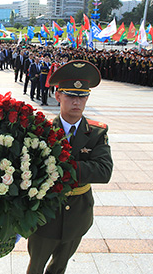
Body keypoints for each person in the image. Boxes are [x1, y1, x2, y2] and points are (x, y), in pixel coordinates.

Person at [27, 60, 113, 274]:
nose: (77, 102)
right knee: (36, 266)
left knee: (59, 267)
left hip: (77, 213)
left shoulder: (96, 133)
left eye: (82, 96)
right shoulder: (41, 130)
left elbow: (104, 171)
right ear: (58, 96)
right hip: (44, 214)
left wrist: (59, 167)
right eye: (71, 95)